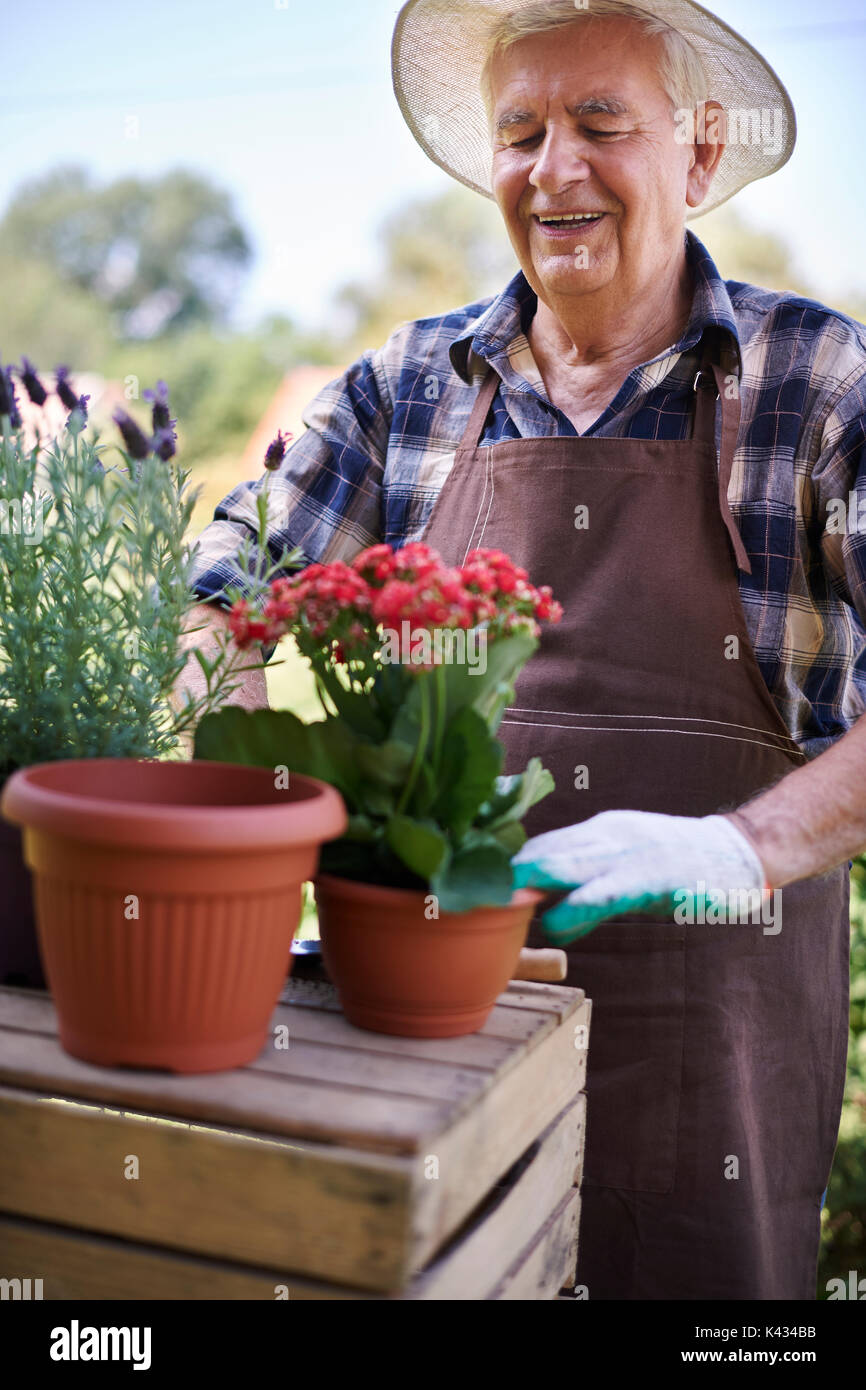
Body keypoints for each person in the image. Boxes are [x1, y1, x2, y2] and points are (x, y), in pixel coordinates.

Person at [180, 0, 866, 1299]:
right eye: (520, 131)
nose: (554, 168)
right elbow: (227, 583)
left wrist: (739, 847)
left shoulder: (813, 384)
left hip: (713, 1080)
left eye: (600, 123)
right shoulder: (409, 387)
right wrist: (254, 811)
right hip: (431, 1063)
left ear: (698, 153)